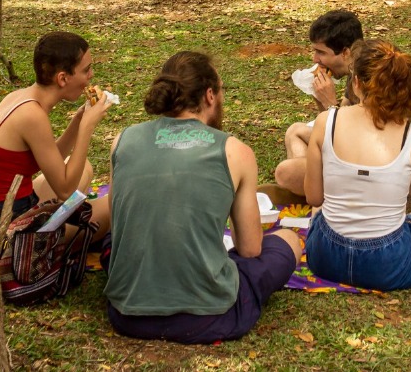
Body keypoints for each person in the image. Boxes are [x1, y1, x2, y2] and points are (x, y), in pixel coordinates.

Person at [103, 51, 303, 344]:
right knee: (288, 241)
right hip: (209, 317)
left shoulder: (122, 140)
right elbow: (249, 249)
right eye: (221, 90)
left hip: (126, 313)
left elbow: (119, 225)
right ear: (210, 95)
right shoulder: (235, 151)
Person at [303, 40, 411, 291]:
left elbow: (313, 197)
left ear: (356, 83)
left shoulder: (325, 121)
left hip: (325, 257)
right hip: (388, 264)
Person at [0, 31, 114, 228]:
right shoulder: (32, 115)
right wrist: (87, 127)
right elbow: (65, 191)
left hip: (15, 199)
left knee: (83, 167)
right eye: (86, 70)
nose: (91, 75)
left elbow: (49, 158)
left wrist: (77, 121)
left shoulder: (17, 97)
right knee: (111, 208)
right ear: (62, 78)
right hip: (11, 225)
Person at [268, 10, 364, 201]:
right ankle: (309, 194)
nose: (314, 59)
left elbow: (354, 139)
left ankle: (312, 194)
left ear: (346, 52)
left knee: (286, 172)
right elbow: (333, 122)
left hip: (365, 164)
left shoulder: (369, 78)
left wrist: (330, 103)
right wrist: (320, 97)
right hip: (352, 150)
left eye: (321, 52)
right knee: (295, 131)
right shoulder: (355, 71)